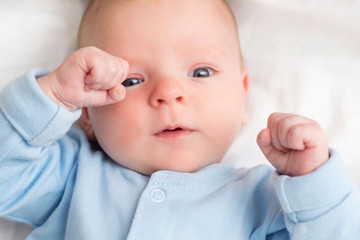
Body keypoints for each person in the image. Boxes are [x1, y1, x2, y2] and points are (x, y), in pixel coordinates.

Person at [0, 0, 359, 239]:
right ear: (88, 115)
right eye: (131, 80)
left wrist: (312, 180)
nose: (169, 93)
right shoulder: (71, 174)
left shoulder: (265, 199)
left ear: (242, 95)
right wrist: (53, 96)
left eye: (201, 72)